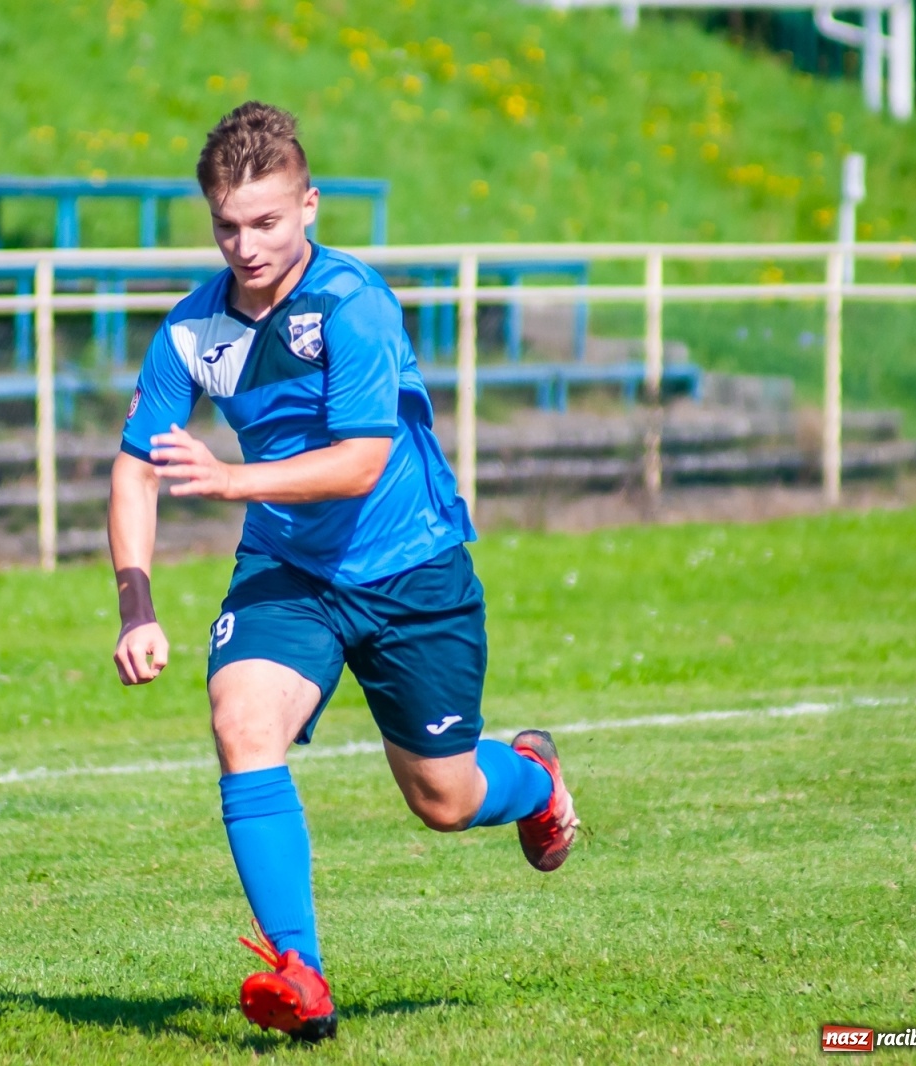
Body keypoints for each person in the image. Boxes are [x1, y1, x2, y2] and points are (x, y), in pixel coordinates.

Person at [106, 102, 580, 1043]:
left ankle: (534, 779)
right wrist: (136, 604)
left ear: (309, 206)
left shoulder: (353, 302)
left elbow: (361, 462)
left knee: (444, 800)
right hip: (289, 570)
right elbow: (133, 467)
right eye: (227, 226)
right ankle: (301, 975)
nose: (246, 246)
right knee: (242, 723)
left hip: (412, 571)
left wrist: (230, 479)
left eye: (266, 222)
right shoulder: (191, 331)